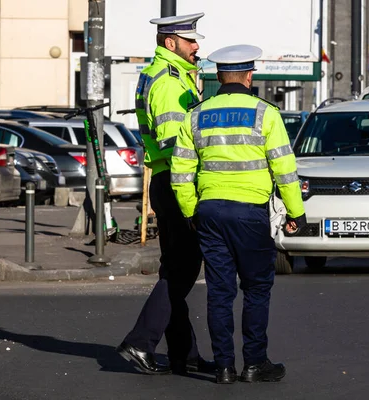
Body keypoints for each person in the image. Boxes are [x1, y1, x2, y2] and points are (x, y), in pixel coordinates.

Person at [170, 44, 307, 384]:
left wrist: (191, 210)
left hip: (210, 212)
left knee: (219, 292)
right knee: (257, 288)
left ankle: (224, 367)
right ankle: (255, 363)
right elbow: (285, 169)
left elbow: (181, 171)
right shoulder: (266, 114)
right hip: (249, 214)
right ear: (249, 76)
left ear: (218, 77)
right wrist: (296, 212)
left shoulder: (197, 114)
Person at [116, 12, 214, 376]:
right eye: (191, 41)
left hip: (164, 179)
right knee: (183, 268)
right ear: (171, 43)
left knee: (175, 267)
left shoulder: (161, 75)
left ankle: (183, 353)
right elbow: (177, 146)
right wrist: (192, 187)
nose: (197, 46)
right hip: (176, 180)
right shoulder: (170, 83)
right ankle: (140, 341)